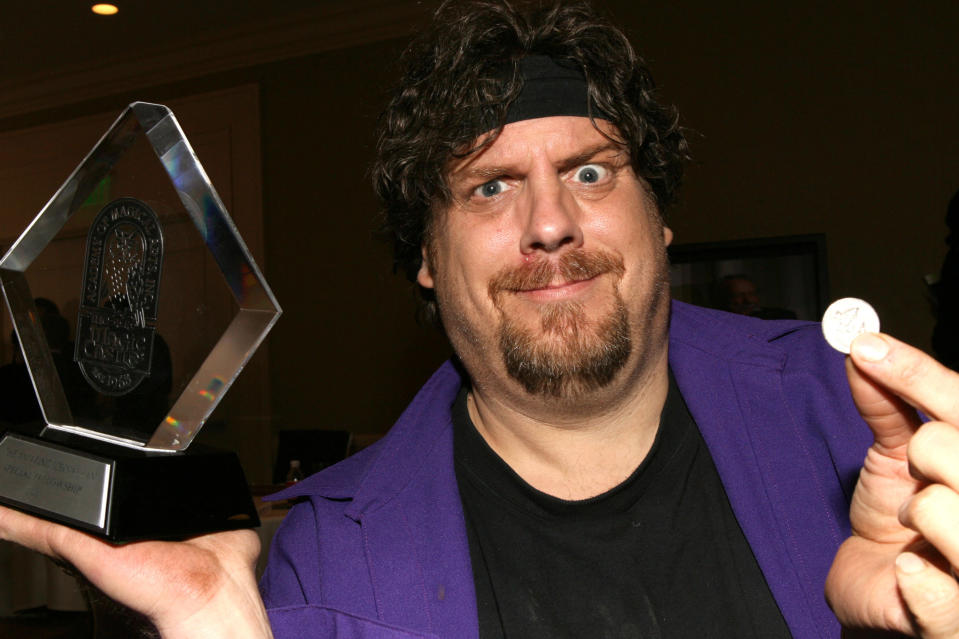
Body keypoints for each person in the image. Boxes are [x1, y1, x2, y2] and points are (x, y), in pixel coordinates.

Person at [1, 1, 958, 638]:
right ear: (424, 258)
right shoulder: (316, 568)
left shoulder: (873, 434)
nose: (549, 222)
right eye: (489, 186)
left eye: (589, 171)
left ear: (660, 217)